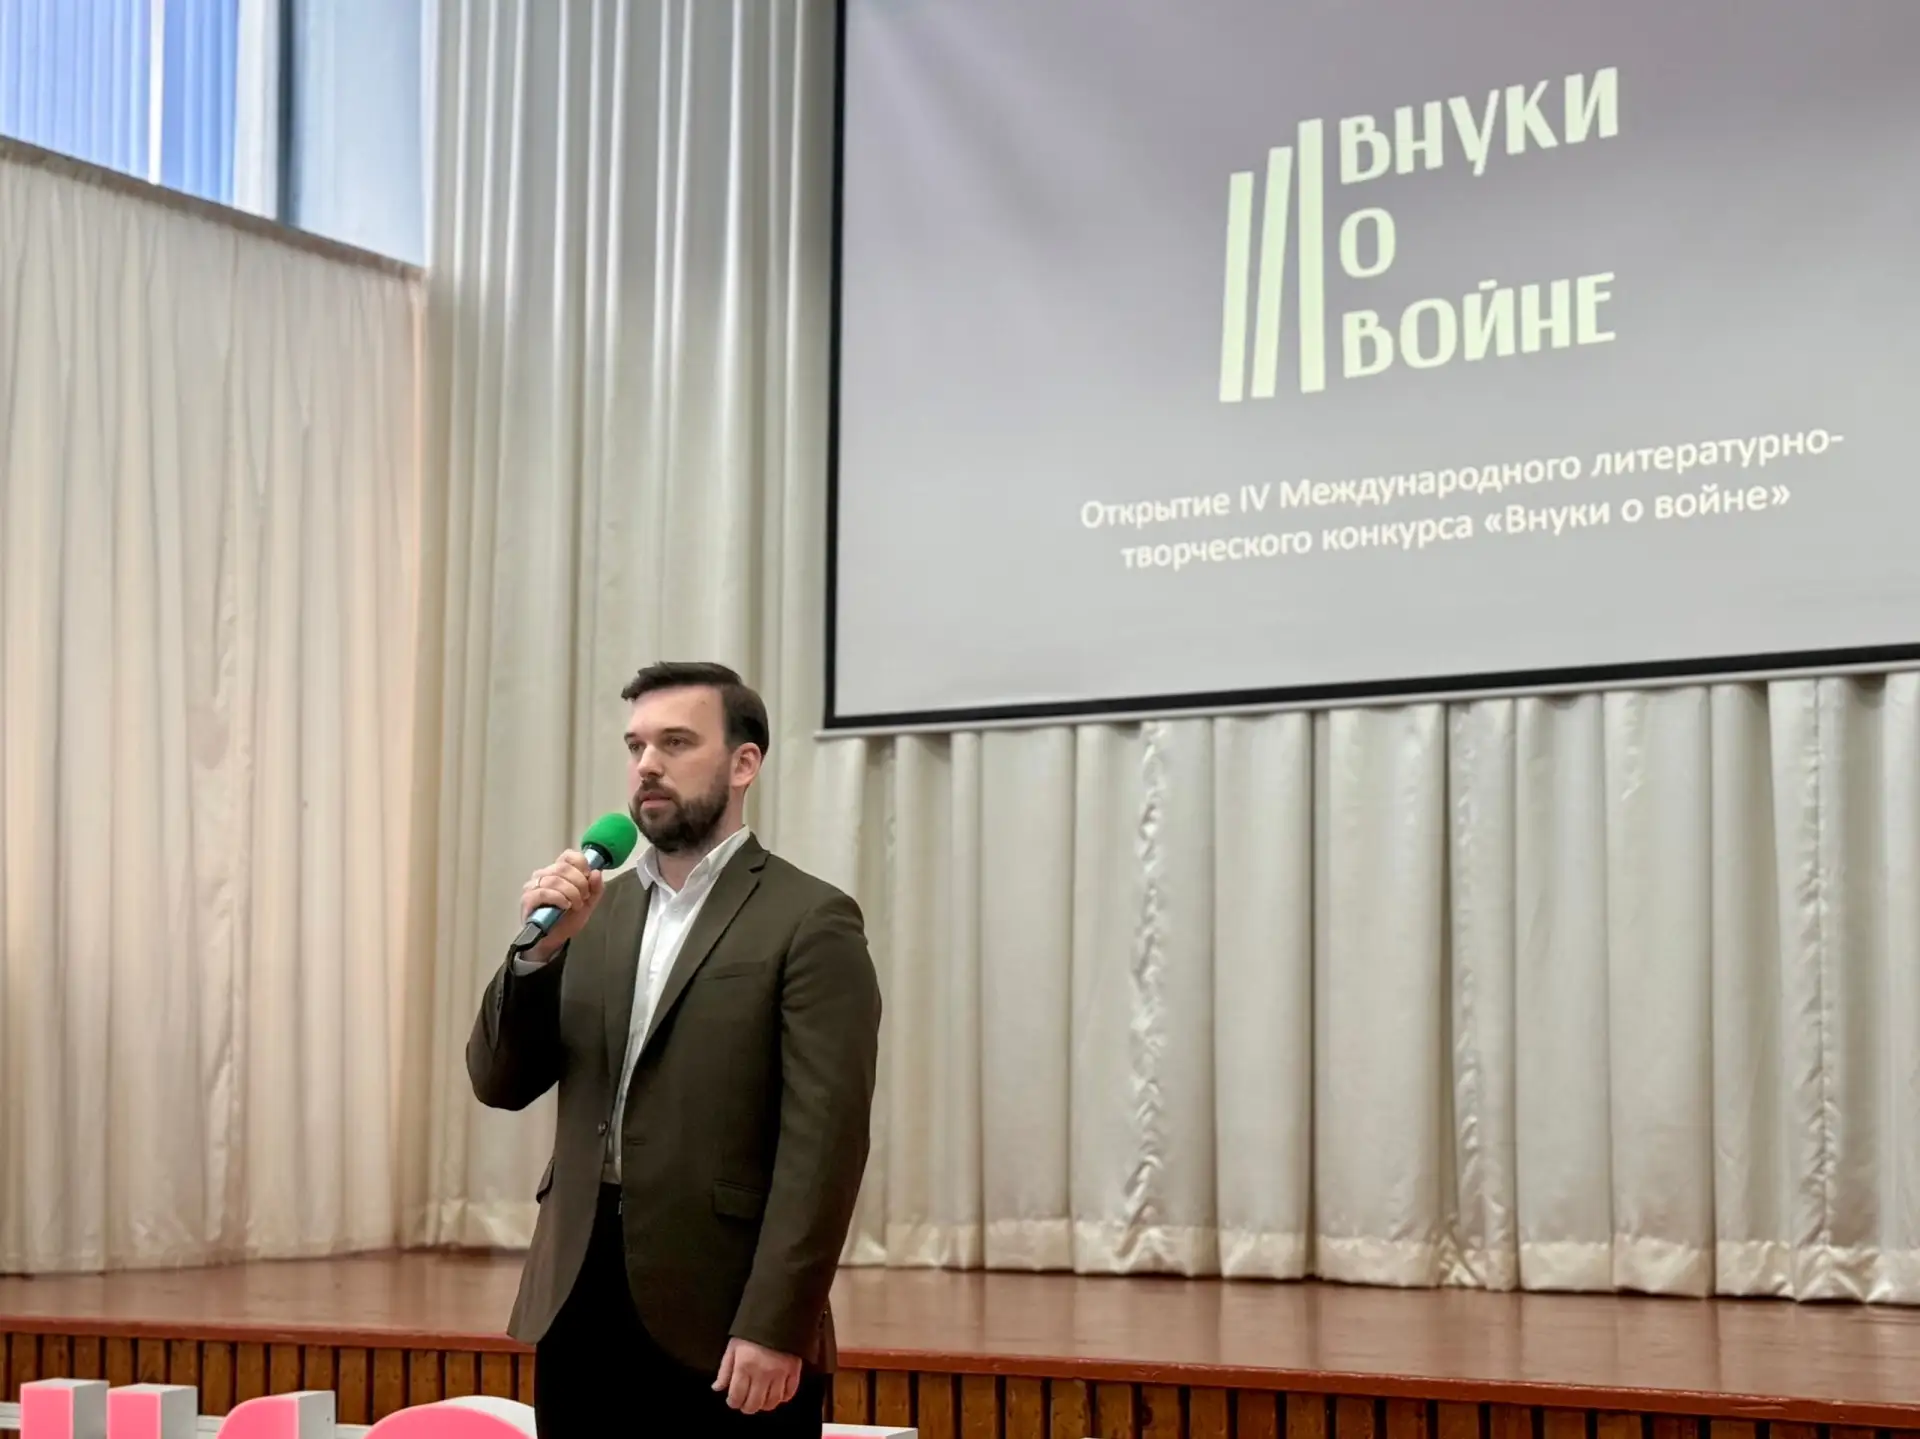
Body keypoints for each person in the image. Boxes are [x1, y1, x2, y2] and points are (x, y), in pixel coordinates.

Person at [467, 661, 882, 1438]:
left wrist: (776, 1322)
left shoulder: (809, 918)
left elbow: (825, 1144)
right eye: (636, 746)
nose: (647, 765)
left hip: (724, 1309)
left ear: (743, 762)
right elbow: (499, 1079)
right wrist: (537, 954)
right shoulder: (592, 911)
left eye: (676, 742)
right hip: (579, 1294)